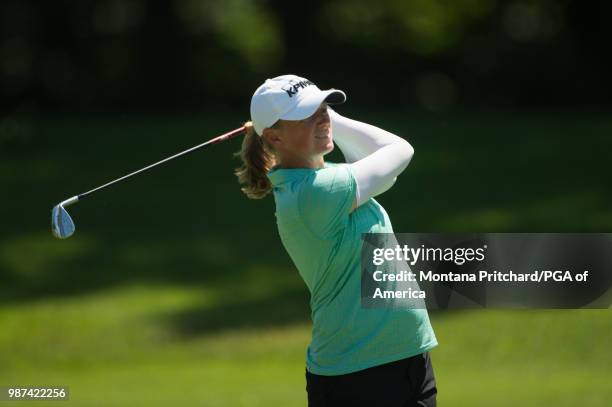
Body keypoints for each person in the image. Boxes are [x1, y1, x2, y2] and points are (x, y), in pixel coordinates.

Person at [235, 74, 438, 406]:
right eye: (307, 113)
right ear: (274, 136)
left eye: (323, 107)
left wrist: (325, 120)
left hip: (400, 360)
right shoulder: (315, 193)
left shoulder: (322, 179)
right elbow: (399, 150)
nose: (322, 115)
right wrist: (336, 123)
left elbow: (385, 170)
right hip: (362, 377)